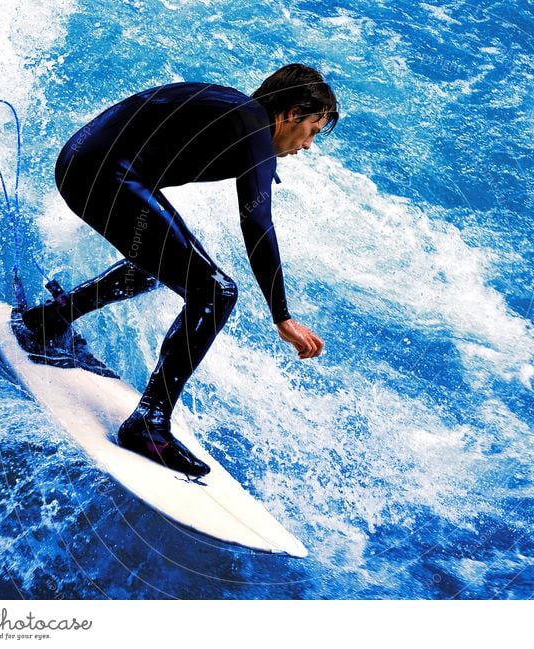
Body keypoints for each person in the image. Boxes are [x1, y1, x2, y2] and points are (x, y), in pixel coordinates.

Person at [21, 64, 338, 477]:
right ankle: (149, 423)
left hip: (87, 165)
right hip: (103, 174)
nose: (309, 144)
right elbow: (257, 223)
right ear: (292, 113)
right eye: (313, 130)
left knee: (169, 265)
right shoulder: (250, 124)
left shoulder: (239, 116)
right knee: (216, 291)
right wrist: (282, 315)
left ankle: (52, 317)